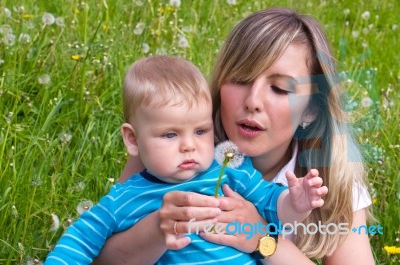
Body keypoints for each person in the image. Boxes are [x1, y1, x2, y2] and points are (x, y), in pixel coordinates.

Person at [93, 8, 374, 265]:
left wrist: (264, 241)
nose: (253, 101)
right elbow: (101, 257)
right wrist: (156, 229)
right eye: (241, 80)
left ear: (311, 110)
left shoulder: (330, 177)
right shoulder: (174, 148)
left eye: (279, 89)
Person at [45, 56, 328, 265]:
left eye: (201, 131)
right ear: (133, 140)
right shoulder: (125, 197)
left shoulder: (230, 171)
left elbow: (272, 205)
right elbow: (79, 242)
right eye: (170, 135)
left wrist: (295, 203)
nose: (189, 146)